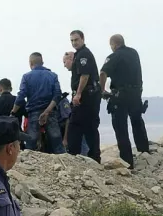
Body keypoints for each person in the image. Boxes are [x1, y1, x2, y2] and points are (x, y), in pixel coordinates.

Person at [100, 34, 150, 168]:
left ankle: (127, 161)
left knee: (121, 127)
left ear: (114, 44)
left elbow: (103, 72)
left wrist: (102, 90)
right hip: (135, 94)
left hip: (120, 96)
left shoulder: (114, 56)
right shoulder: (134, 53)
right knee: (137, 121)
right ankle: (144, 150)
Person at [9, 53, 62, 153]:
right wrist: (47, 111)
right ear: (42, 62)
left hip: (34, 113)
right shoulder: (53, 76)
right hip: (50, 112)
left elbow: (21, 96)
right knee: (57, 143)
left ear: (30, 63)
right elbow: (58, 95)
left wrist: (13, 111)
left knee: (30, 145)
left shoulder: (26, 77)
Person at [66, 31, 101, 161]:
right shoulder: (79, 54)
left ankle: (84, 156)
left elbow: (85, 75)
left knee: (81, 126)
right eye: (72, 40)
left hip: (86, 96)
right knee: (81, 126)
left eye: (76, 40)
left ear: (82, 39)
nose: (74, 43)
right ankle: (83, 155)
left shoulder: (84, 54)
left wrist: (79, 93)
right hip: (86, 96)